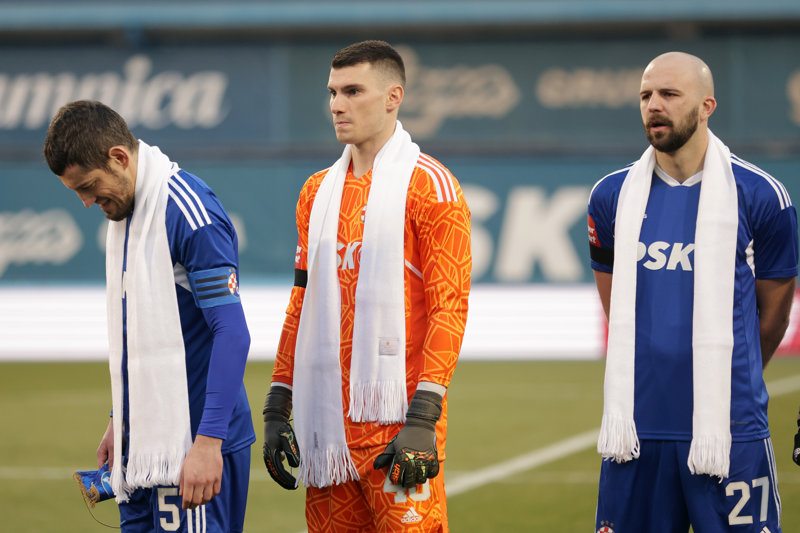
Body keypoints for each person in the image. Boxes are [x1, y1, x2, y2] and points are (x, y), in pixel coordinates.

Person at [261, 40, 471, 532]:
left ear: (393, 97)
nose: (337, 104)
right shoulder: (315, 192)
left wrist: (424, 417)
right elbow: (301, 302)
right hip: (326, 428)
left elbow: (449, 306)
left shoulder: (432, 187)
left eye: (353, 91)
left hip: (399, 427)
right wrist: (278, 402)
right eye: (332, 92)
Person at [588, 51, 798, 532]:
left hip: (731, 429)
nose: (654, 105)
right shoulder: (610, 197)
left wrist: (723, 380)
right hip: (634, 431)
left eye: (669, 94)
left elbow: (773, 318)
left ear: (707, 106)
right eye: (646, 95)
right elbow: (616, 306)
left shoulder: (762, 196)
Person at [43, 100, 255, 533]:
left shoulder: (190, 212)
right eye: (76, 192)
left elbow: (232, 333)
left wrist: (208, 443)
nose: (86, 202)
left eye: (89, 186)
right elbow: (140, 335)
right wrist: (120, 419)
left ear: (119, 157)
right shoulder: (128, 215)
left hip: (194, 444)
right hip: (142, 448)